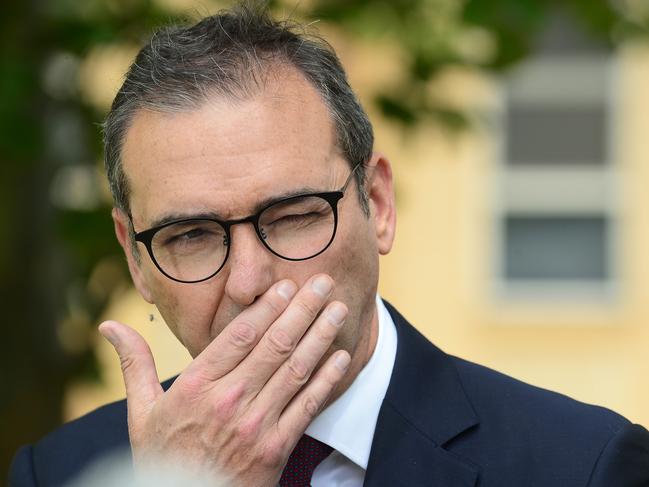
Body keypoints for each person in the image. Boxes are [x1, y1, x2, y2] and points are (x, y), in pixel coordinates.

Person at [9, 3, 649, 486]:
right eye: (193, 235)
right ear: (135, 259)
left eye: (292, 216)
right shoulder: (59, 471)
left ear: (378, 204)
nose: (250, 281)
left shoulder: (583, 465)